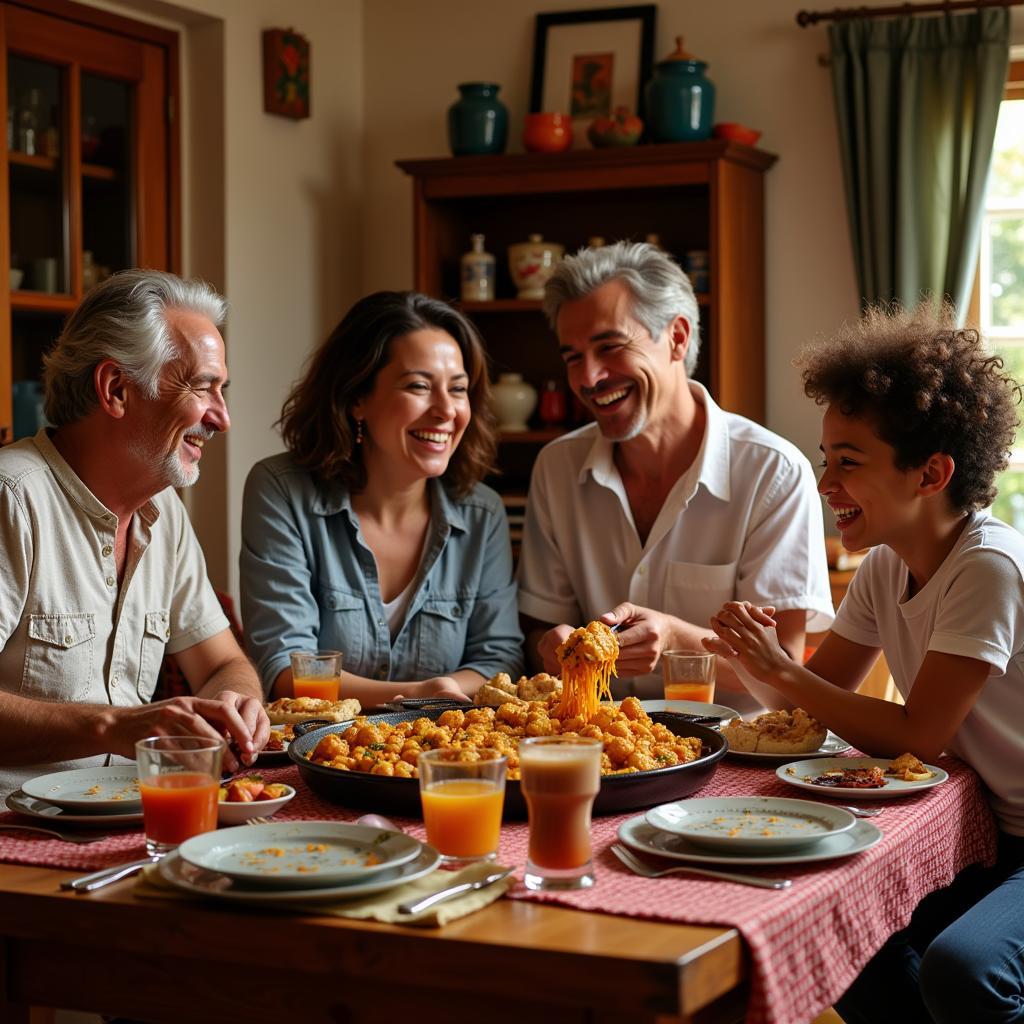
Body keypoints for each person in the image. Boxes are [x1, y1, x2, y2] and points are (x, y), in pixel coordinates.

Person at [705, 302, 1024, 1024]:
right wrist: (754, 657)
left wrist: (783, 672)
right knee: (839, 924)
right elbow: (819, 705)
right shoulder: (887, 565)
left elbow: (920, 733)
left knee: (964, 967)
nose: (825, 485)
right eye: (826, 461)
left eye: (848, 464)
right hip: (994, 831)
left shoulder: (988, 566)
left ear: (931, 474)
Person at [517, 241, 832, 710]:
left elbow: (786, 669)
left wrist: (674, 638)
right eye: (572, 357)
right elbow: (542, 627)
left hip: (733, 750)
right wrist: (551, 645)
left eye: (610, 346)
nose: (588, 377)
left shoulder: (773, 472)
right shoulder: (557, 468)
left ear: (678, 338)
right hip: (596, 740)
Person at [0, 270, 270, 801]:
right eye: (201, 386)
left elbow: (221, 662)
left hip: (128, 820)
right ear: (116, 389)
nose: (222, 418)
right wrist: (114, 727)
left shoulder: (163, 510)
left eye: (223, 390)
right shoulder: (12, 497)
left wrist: (235, 705)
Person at [240, 291, 523, 706]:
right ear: (357, 398)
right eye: (419, 386)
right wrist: (420, 695)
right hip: (321, 754)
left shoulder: (483, 512)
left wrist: (439, 696)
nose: (447, 410)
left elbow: (499, 659)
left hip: (447, 755)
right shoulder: (280, 491)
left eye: (458, 389)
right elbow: (286, 670)